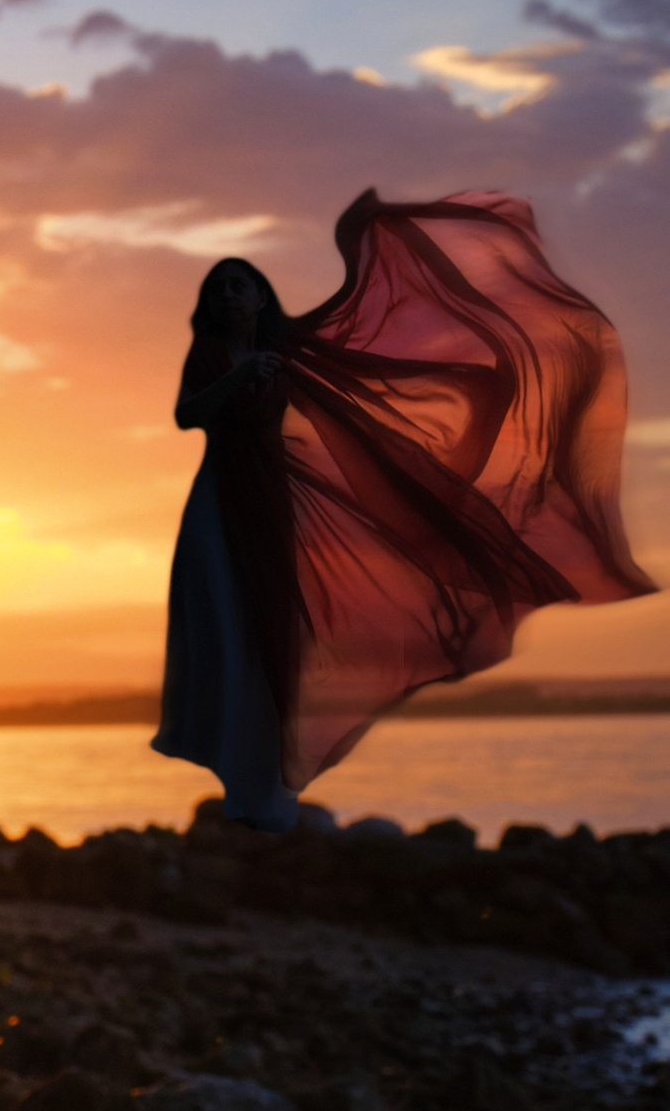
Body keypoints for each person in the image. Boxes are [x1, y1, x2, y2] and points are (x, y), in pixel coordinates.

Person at [154, 189, 652, 824]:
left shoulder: (293, 354)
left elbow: (363, 383)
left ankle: (268, 789)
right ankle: (238, 783)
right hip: (219, 506)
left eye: (239, 284)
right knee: (223, 627)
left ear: (259, 299)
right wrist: (236, 380)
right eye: (218, 286)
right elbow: (185, 416)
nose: (227, 293)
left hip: (272, 504)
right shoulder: (212, 356)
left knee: (273, 636)